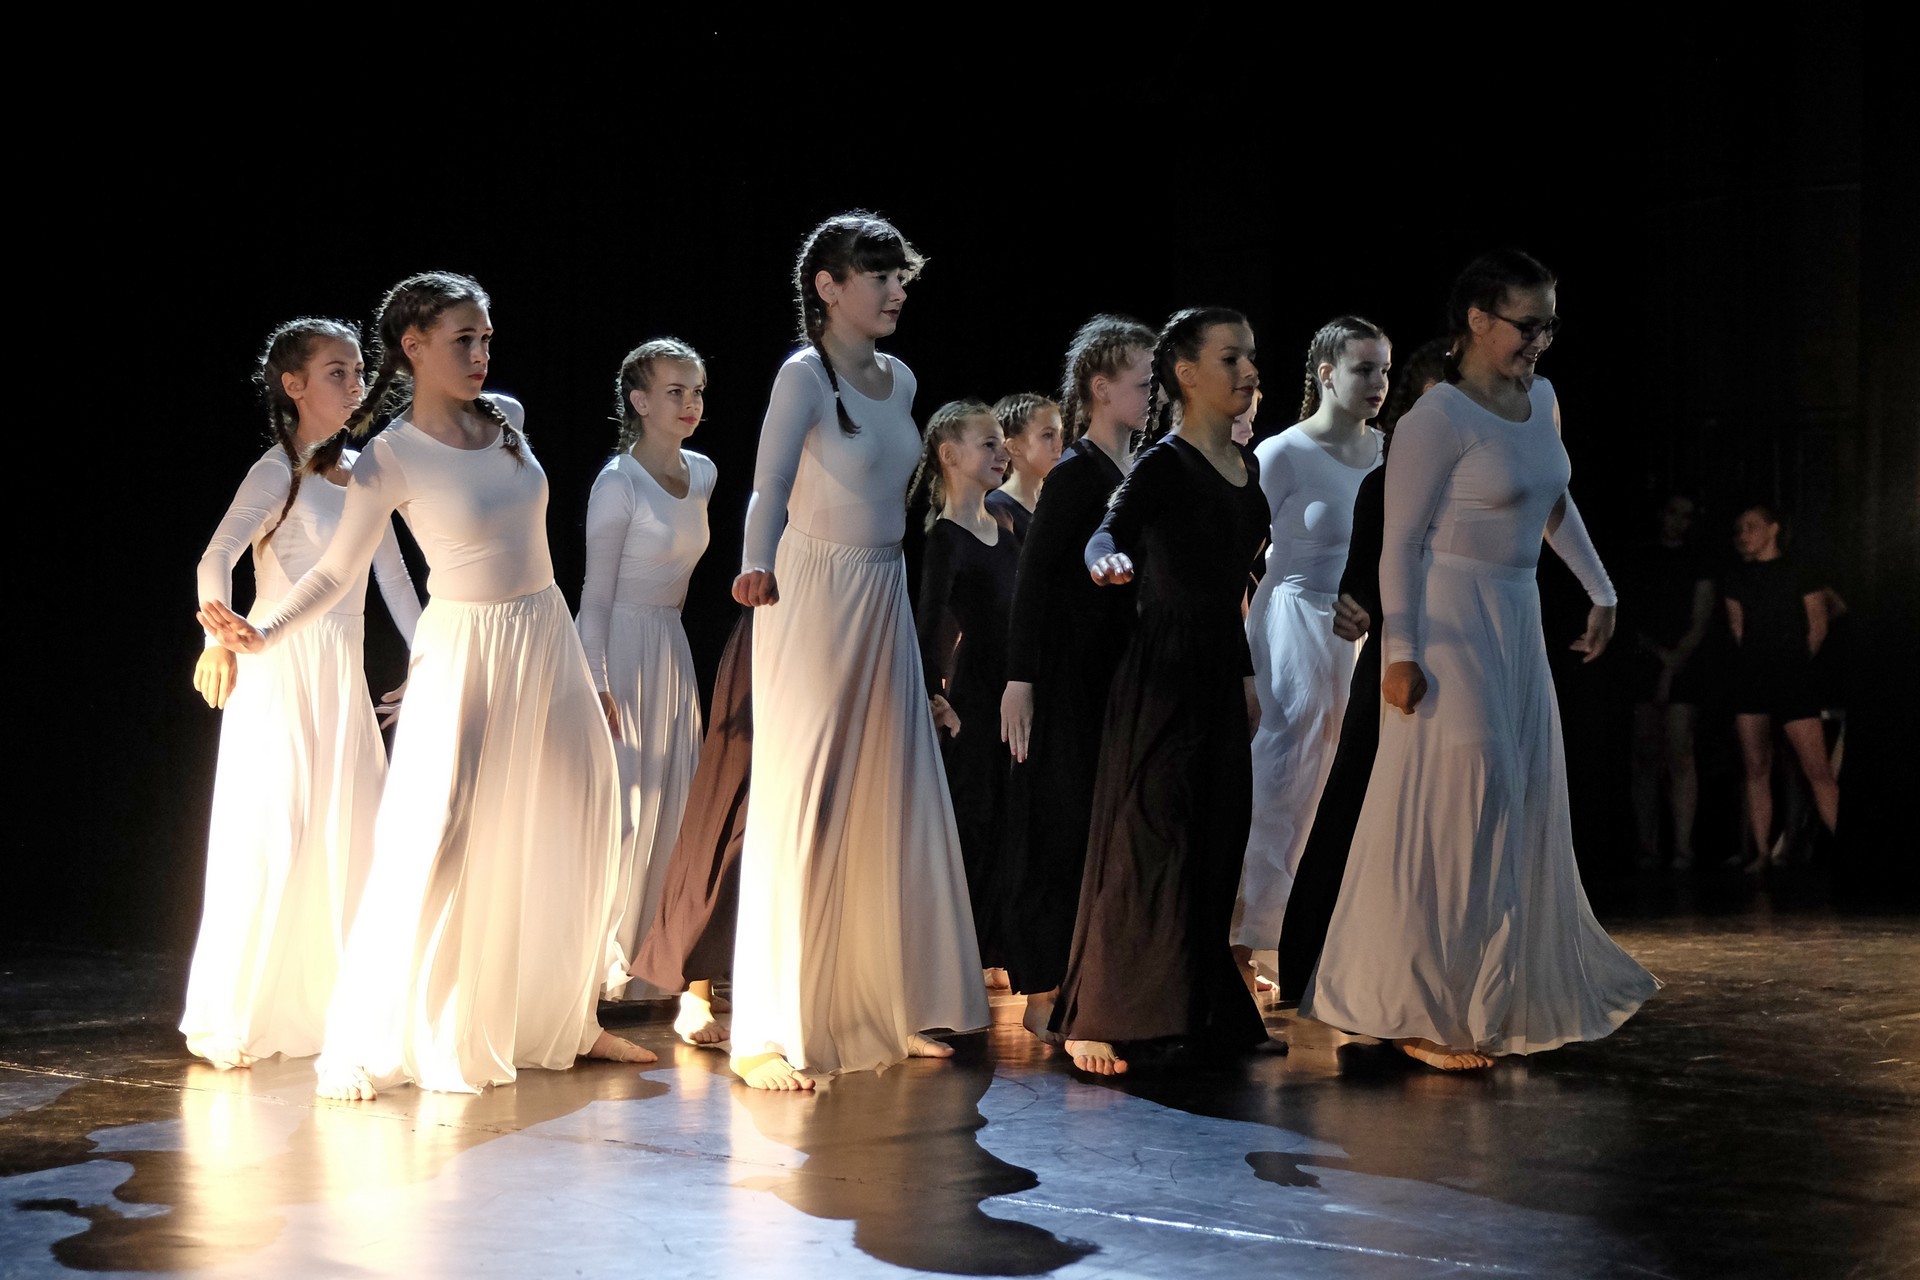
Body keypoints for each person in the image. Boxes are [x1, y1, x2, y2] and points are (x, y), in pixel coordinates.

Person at [199, 272, 650, 1098]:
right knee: (436, 834)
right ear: (413, 347)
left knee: (584, 809)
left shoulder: (507, 418)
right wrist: (264, 631)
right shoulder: (390, 456)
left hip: (543, 632)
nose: (480, 354)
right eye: (461, 340)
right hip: (467, 643)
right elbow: (337, 573)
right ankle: (365, 1040)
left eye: (485, 339)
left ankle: (561, 1018)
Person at [1301, 250, 1659, 1070]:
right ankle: (1411, 1006)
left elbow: (1553, 500)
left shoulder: (1542, 400)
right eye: (1528, 324)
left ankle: (1474, 999)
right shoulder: (1437, 419)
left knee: (1516, 799)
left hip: (1516, 615)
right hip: (1448, 618)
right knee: (1465, 797)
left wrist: (1601, 591)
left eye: (1549, 325)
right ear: (1477, 319)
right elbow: (1399, 544)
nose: (1541, 340)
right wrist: (1401, 652)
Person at [728, 213, 989, 1090]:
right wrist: (755, 562)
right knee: (811, 791)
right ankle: (770, 1029)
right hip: (812, 590)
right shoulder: (803, 376)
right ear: (828, 287)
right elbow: (768, 484)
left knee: (891, 788)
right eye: (878, 276)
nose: (896, 290)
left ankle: (883, 1001)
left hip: (881, 588)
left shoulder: (901, 376)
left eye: (899, 275)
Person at [182, 318, 422, 1070]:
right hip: (278, 664)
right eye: (337, 372)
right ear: (294, 386)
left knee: (349, 828)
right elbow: (216, 557)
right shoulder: (275, 471)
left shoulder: (367, 471)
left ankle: (337, 1007)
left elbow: (393, 580)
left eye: (358, 371)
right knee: (276, 829)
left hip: (339, 670)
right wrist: (217, 640)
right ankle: (243, 1008)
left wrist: (431, 655)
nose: (355, 385)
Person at [1049, 307, 1271, 1076]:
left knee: (1216, 838)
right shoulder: (1163, 464)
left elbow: (1232, 586)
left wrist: (1245, 673)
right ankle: (1099, 1015)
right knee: (1150, 840)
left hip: (1218, 670)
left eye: (1250, 356)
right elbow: (1106, 532)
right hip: (1164, 674)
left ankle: (1198, 1008)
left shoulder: (1244, 468)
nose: (1248, 371)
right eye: (1231, 358)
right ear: (1186, 374)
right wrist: (1104, 560)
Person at [996, 315, 1156, 1040]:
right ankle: (1045, 990)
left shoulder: (1144, 470)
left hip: (1124, 672)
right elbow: (1033, 583)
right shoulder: (1075, 473)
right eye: (1142, 382)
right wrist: (1020, 679)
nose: (1153, 395)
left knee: (1112, 830)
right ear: (1101, 388)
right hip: (1070, 678)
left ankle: (1103, 983)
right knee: (1062, 824)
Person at [1276, 338, 1446, 1003]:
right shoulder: (1384, 481)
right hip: (1393, 658)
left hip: (1466, 656)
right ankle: (1313, 961)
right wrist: (1360, 609)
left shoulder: (1478, 488)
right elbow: (1361, 582)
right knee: (1351, 798)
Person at [1232, 318, 1387, 988]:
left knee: (1339, 785)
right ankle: (1242, 942)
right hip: (1292, 625)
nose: (1378, 383)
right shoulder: (1284, 453)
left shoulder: (1388, 452)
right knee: (1280, 778)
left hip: (1360, 633)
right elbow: (1233, 549)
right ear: (1326, 373)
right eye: (1363, 369)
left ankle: (1314, 941)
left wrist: (1373, 603)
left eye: (1384, 370)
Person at [577, 339, 718, 1037]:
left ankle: (671, 975)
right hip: (621, 650)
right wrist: (596, 682)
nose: (691, 404)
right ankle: (589, 976)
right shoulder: (618, 483)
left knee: (679, 807)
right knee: (624, 814)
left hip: (669, 647)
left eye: (696, 391)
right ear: (639, 401)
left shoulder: (705, 472)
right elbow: (595, 598)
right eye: (674, 391)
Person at [913, 400, 1021, 979]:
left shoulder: (1003, 526)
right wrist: (940, 701)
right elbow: (929, 624)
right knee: (973, 819)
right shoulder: (946, 538)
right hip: (976, 692)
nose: (1002, 452)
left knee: (1005, 817)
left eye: (1002, 442)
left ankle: (994, 947)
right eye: (989, 444)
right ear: (950, 456)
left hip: (1011, 689)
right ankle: (958, 954)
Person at [1723, 502, 1839, 870]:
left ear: (1773, 529)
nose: (1744, 535)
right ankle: (1761, 852)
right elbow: (1739, 629)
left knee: (1817, 768)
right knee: (1756, 767)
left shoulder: (1800, 570)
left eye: (1752, 526)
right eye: (1740, 528)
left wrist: (1792, 664)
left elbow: (1817, 626)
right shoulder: (1737, 578)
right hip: (1751, 679)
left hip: (1792, 677)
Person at [1622, 493, 1715, 870]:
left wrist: (1674, 661)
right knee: (1645, 754)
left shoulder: (1698, 559)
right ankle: (1648, 845)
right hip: (1647, 660)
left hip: (1685, 661)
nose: (1679, 521)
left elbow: (1702, 618)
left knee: (1680, 751)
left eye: (1687, 516)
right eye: (1674, 513)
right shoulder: (1642, 557)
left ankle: (1683, 847)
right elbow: (1628, 614)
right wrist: (1660, 657)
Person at [985, 392, 1062, 543]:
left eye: (1060, 434)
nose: (1059, 445)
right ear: (1014, 447)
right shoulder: (995, 511)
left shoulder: (1063, 499)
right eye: (1048, 435)